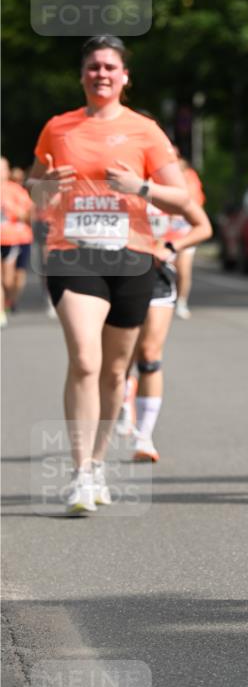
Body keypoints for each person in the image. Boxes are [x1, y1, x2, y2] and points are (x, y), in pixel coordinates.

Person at [27, 34, 188, 515]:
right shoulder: (58, 127)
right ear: (82, 75)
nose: (101, 73)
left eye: (110, 67)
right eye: (94, 66)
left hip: (131, 256)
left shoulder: (145, 130)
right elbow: (34, 192)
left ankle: (97, 463)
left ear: (124, 77)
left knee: (116, 370)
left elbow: (181, 198)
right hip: (72, 253)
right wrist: (44, 186)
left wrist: (141, 187)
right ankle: (79, 473)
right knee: (84, 359)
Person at [117, 196, 212, 461]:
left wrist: (171, 246)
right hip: (114, 274)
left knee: (149, 355)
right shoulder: (111, 182)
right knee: (120, 359)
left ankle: (144, 437)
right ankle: (124, 398)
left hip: (156, 273)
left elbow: (202, 226)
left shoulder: (166, 186)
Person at [173, 155, 205, 319]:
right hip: (166, 231)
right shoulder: (157, 176)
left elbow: (196, 202)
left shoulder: (191, 178)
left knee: (183, 268)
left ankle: (181, 302)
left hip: (185, 229)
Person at [1, 156, 33, 316]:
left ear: (7, 171)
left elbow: (29, 215)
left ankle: (10, 300)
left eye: (2, 169)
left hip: (15, 238)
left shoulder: (16, 190)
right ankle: (2, 308)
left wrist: (13, 210)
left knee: (12, 278)